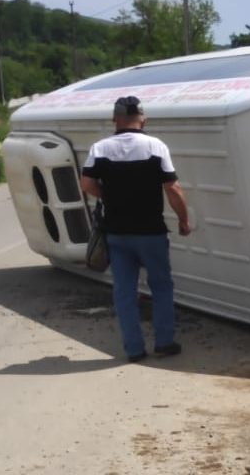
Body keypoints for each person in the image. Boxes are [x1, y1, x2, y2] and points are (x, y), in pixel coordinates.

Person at [80, 95, 191, 362]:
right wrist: (184, 220)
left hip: (117, 233)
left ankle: (134, 349)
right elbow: (172, 188)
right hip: (151, 232)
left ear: (115, 119)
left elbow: (86, 184)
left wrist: (106, 196)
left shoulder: (100, 148)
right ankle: (164, 343)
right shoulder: (155, 146)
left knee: (124, 292)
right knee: (161, 286)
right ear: (143, 118)